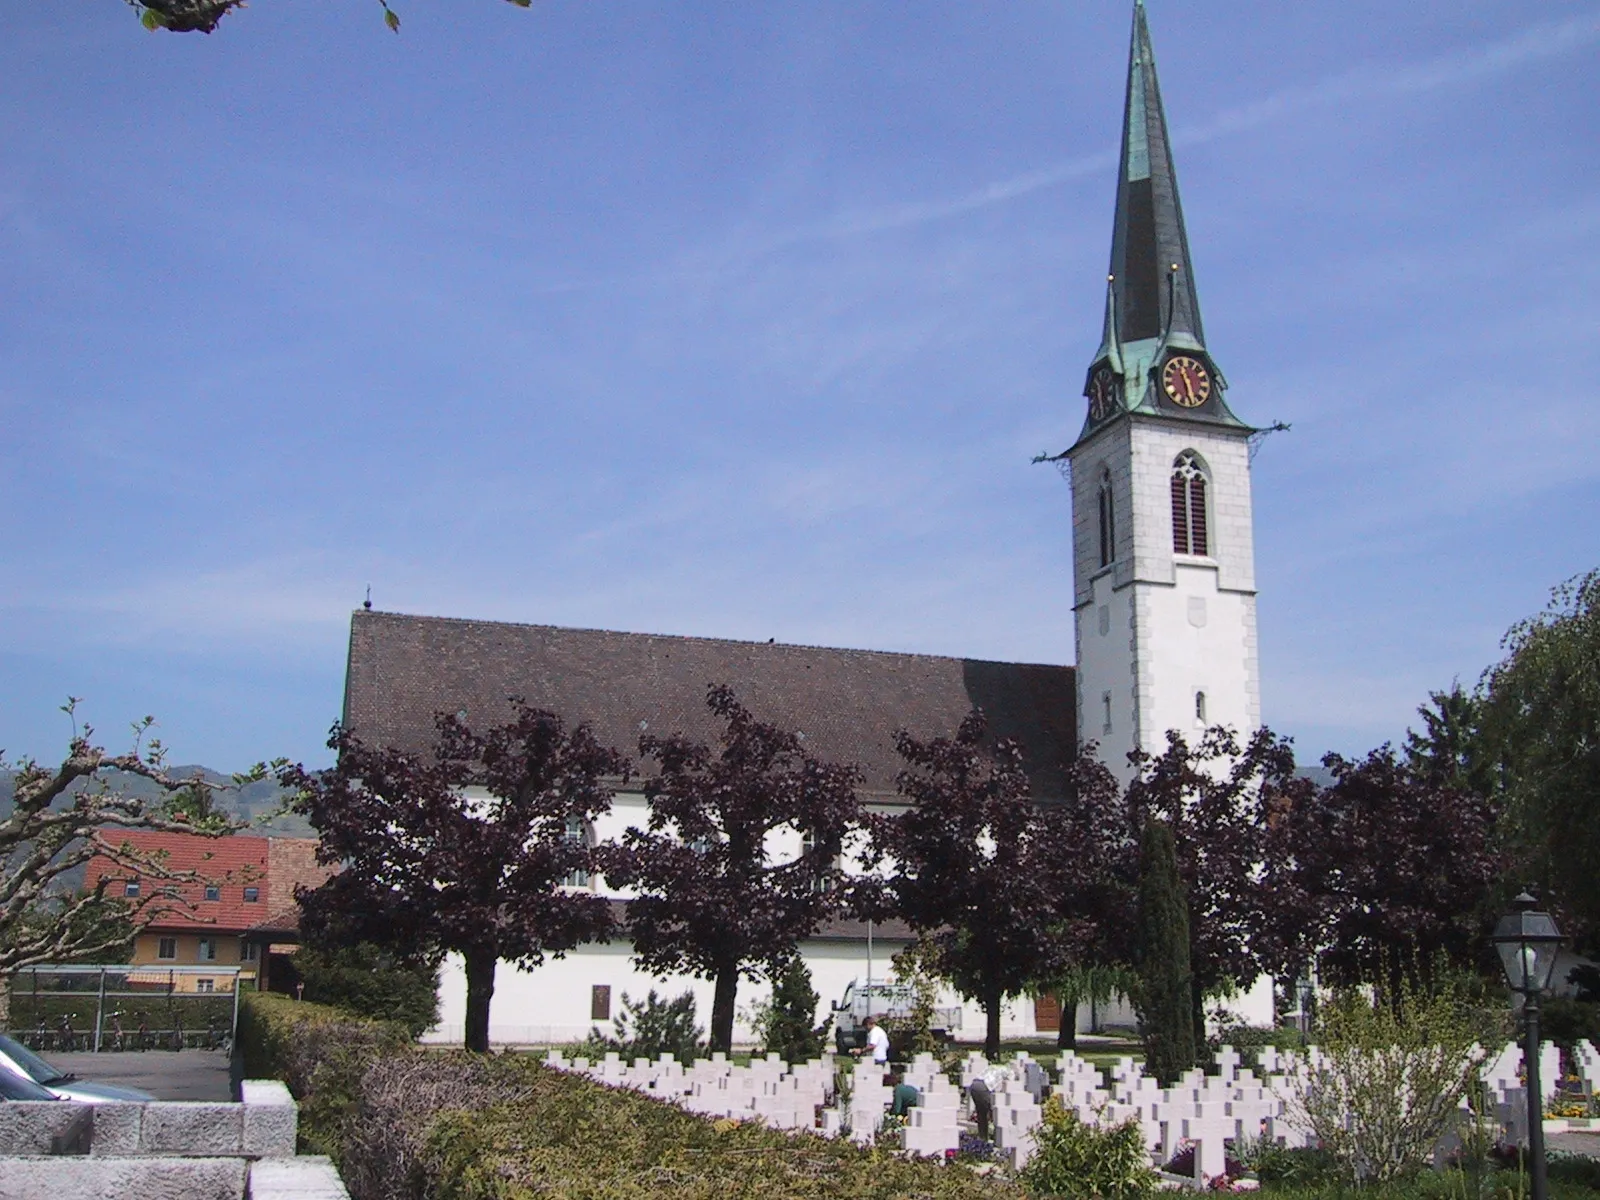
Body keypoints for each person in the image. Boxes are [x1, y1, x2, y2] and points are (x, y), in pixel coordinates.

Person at [967, 1063, 1003, 1142]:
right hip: (983, 1087)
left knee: (981, 1113)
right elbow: (1000, 1089)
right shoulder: (1008, 1073)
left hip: (974, 1085)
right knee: (993, 1112)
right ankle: (995, 1136)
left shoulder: (993, 1068)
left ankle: (983, 1137)